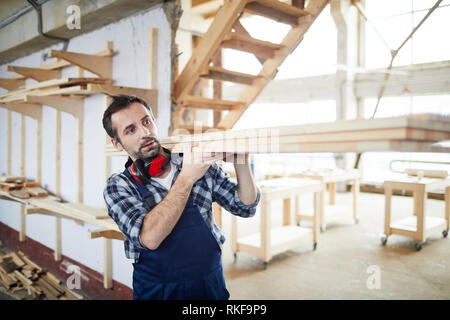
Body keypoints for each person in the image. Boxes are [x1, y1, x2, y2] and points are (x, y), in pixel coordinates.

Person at [102, 95, 260, 300]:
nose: (145, 133)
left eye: (146, 121)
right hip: (158, 291)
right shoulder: (119, 186)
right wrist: (186, 178)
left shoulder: (195, 162)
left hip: (209, 285)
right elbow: (149, 238)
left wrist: (241, 162)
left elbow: (245, 207)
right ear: (117, 144)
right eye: (131, 130)